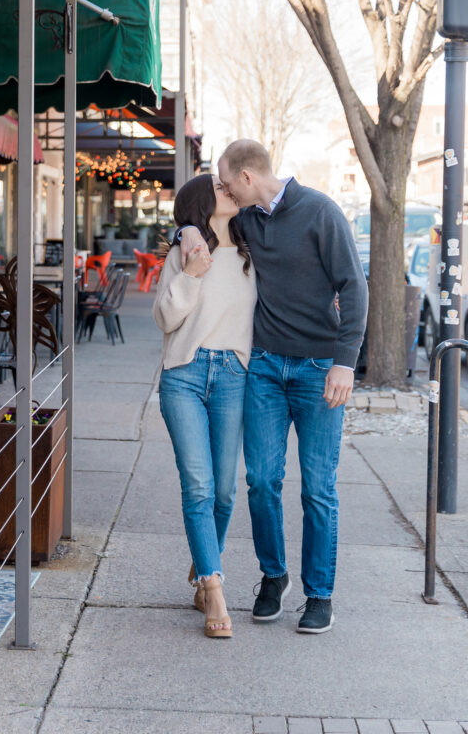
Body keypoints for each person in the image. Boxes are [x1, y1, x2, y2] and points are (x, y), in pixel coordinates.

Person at [178, 140, 367, 634]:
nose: (225, 193)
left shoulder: (321, 212)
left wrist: (345, 364)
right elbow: (194, 211)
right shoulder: (246, 219)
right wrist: (185, 230)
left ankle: (319, 593)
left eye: (225, 183)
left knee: (318, 488)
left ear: (245, 178)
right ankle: (273, 576)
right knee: (261, 481)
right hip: (262, 366)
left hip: (319, 368)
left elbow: (355, 287)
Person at [153, 174, 257, 639]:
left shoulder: (254, 250)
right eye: (219, 186)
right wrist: (191, 274)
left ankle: (203, 564)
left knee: (225, 491)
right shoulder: (184, 254)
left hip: (234, 375)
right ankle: (213, 588)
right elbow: (164, 318)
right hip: (185, 375)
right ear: (200, 202)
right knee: (198, 485)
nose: (229, 188)